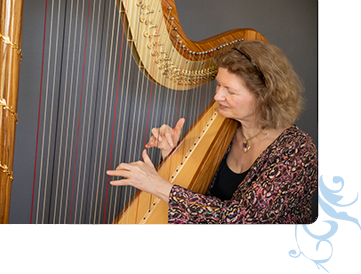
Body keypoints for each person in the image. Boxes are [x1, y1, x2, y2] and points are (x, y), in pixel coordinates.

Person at [106, 40, 318, 224]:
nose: (217, 97)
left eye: (230, 91)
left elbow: (242, 218)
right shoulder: (226, 129)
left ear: (265, 96)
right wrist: (171, 154)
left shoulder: (297, 151)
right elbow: (200, 198)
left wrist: (159, 185)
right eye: (218, 86)